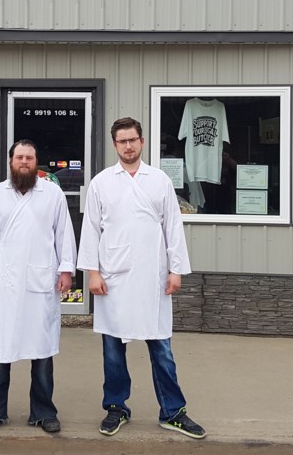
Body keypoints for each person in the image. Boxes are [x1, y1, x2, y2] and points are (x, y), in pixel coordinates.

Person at [77, 117, 207, 439]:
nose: (128, 146)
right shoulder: (102, 183)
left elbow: (173, 228)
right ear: (114, 145)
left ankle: (172, 411)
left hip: (153, 277)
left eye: (133, 140)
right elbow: (91, 230)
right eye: (122, 141)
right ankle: (116, 407)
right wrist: (92, 273)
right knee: (113, 348)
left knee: (161, 347)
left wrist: (176, 269)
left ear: (142, 141)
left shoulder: (159, 180)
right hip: (114, 277)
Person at [0, 139, 77, 436]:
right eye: (19, 157)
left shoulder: (52, 194)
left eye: (29, 157)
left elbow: (64, 233)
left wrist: (66, 269)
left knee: (41, 351)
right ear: (11, 161)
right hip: (7, 282)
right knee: (0, 350)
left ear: (36, 161)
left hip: (41, 279)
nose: (24, 162)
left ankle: (43, 412)